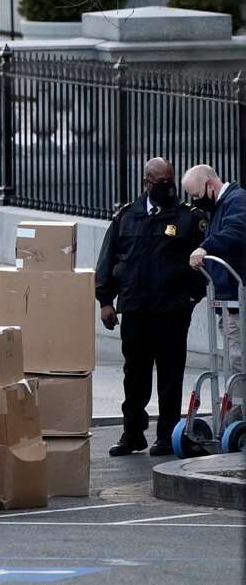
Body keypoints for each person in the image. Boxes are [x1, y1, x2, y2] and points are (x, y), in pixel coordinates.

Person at [96, 157, 207, 457]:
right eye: (161, 183)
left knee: (170, 376)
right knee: (135, 375)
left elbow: (202, 262)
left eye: (170, 182)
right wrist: (106, 301)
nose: (168, 188)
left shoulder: (186, 218)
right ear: (146, 183)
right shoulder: (126, 217)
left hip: (171, 311)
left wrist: (190, 300)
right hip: (135, 310)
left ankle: (166, 435)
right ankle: (132, 434)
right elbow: (109, 260)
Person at [183, 165, 245, 376]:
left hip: (237, 299)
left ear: (210, 184)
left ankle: (239, 407)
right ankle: (236, 405)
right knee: (233, 357)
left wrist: (205, 247)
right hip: (228, 299)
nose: (195, 201)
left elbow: (235, 232)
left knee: (238, 360)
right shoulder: (220, 207)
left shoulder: (236, 201)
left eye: (196, 195)